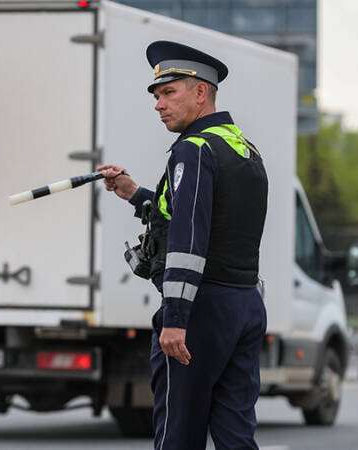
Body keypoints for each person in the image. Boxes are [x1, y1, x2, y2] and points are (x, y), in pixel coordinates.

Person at [97, 40, 268, 450]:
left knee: (178, 434)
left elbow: (189, 237)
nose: (159, 104)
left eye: (169, 93)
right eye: (157, 96)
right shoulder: (242, 147)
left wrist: (176, 318)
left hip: (200, 311)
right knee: (235, 434)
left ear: (200, 92)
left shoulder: (192, 150)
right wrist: (136, 193)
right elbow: (212, 218)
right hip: (244, 303)